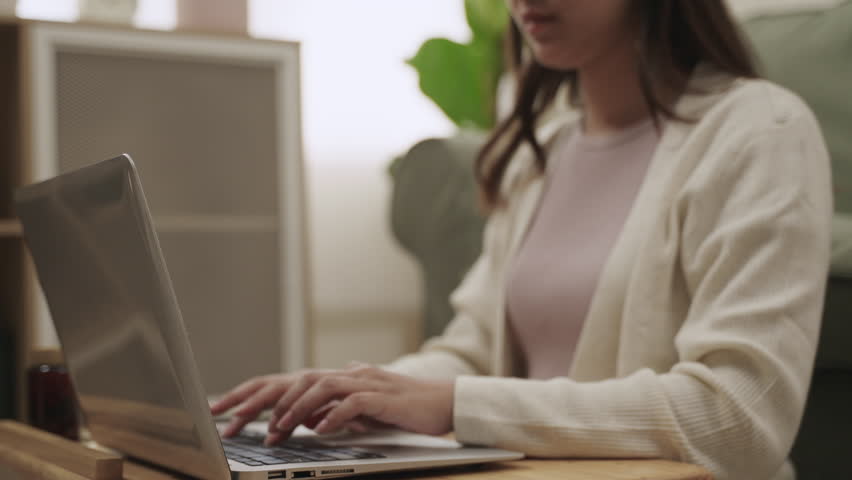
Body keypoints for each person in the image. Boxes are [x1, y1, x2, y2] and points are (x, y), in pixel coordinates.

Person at [211, 1, 832, 479]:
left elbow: (738, 419)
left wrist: (454, 404)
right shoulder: (543, 151)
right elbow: (473, 351)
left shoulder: (760, 132)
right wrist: (361, 394)